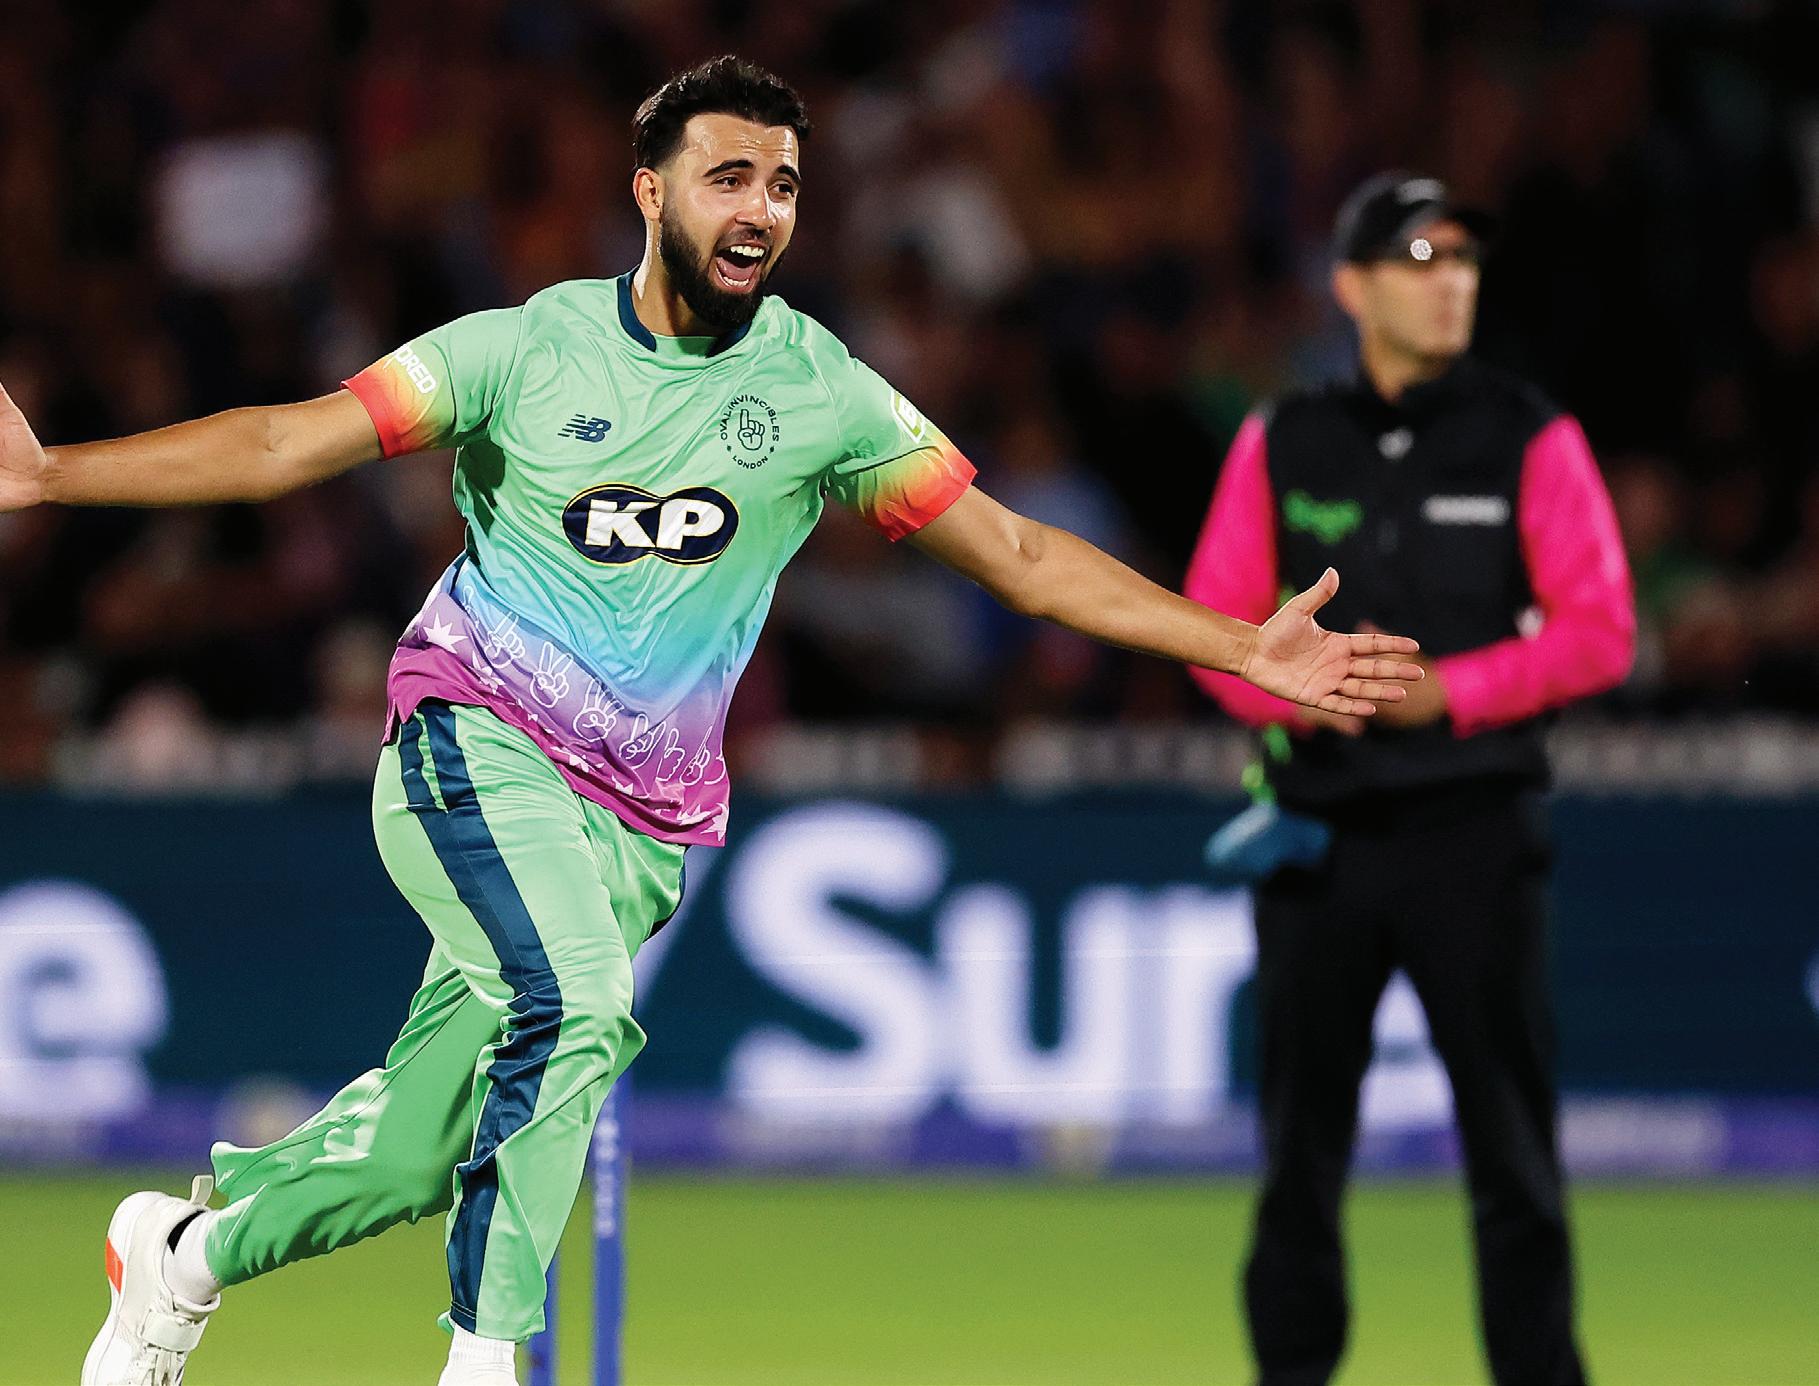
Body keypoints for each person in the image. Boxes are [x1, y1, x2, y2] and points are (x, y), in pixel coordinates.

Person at [0, 59, 1424, 1386]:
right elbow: (280, 442)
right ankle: (486, 1362)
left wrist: (1242, 644)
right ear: (650, 189)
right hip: (473, 745)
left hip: (641, 828)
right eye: (728, 177)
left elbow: (1021, 557)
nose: (759, 210)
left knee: (425, 1148)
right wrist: (54, 476)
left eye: (783, 184)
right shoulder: (520, 351)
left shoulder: (820, 392)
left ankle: (183, 1253)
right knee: (577, 1009)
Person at [1184, 172, 1637, 1386]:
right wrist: (1302, 689)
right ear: (1351, 286)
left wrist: (1454, 691)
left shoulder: (1530, 434)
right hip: (1318, 837)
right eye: (1420, 259)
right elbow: (1213, 628)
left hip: (1472, 832)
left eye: (1464, 261)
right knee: (1297, 1159)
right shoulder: (1281, 436)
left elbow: (1601, 632)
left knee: (1512, 1157)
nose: (1451, 284)